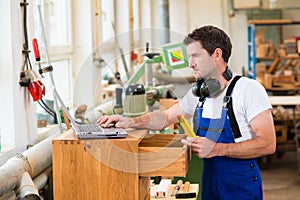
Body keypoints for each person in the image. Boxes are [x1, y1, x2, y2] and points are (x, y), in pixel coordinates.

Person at [97, 25, 276, 199]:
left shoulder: (248, 90)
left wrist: (217, 149)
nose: (190, 64)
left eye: (196, 56)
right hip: (210, 180)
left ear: (217, 55)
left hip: (240, 184)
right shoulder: (200, 93)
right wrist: (129, 122)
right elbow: (166, 117)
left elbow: (268, 143)